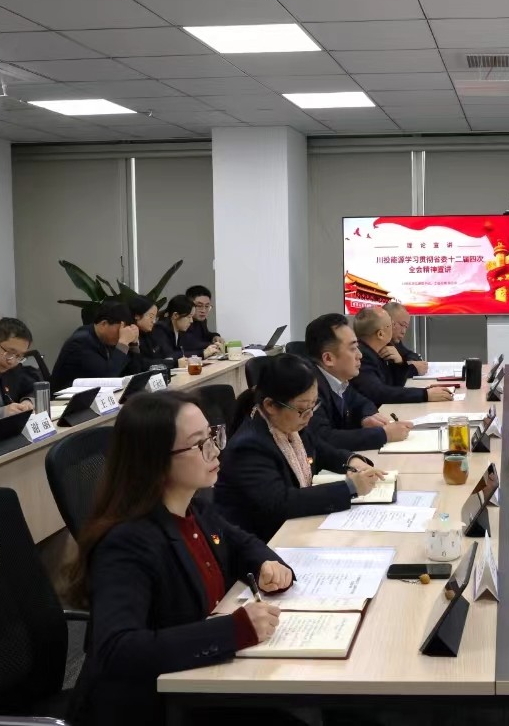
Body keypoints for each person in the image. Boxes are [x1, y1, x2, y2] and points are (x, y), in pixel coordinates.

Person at [67, 391, 294, 726]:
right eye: (198, 444)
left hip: (202, 683)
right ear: (156, 461)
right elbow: (118, 649)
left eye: (212, 436)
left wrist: (264, 564)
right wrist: (233, 630)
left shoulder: (194, 507)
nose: (214, 451)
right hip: (153, 707)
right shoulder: (126, 543)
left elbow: (241, 542)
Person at [216, 354, 387, 541]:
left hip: (293, 529)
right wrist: (349, 488)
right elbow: (281, 503)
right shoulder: (249, 446)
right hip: (266, 540)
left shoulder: (288, 424)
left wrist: (352, 461)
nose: (310, 415)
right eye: (303, 408)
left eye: (313, 405)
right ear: (270, 405)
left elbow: (321, 450)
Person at [304, 313, 413, 452]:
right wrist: (384, 434)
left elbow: (361, 401)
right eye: (352, 348)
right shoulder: (308, 387)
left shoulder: (338, 379)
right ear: (328, 359)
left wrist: (366, 417)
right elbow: (323, 438)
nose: (360, 355)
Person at [350, 307, 453, 407]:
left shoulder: (381, 349)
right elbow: (379, 393)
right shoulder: (362, 357)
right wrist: (425, 394)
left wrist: (399, 363)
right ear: (380, 334)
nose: (394, 327)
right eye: (391, 324)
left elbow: (395, 385)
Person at [50, 302, 139, 392]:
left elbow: (132, 375)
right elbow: (107, 379)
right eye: (120, 330)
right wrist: (123, 342)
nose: (122, 334)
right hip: (66, 399)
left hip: (94, 395)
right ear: (104, 324)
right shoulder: (80, 342)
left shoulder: (105, 339)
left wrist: (133, 345)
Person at [381, 301, 425, 383]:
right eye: (401, 325)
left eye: (406, 327)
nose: (403, 331)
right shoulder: (379, 345)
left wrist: (403, 362)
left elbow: (412, 355)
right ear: (388, 322)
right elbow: (388, 376)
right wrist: (413, 369)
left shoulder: (394, 342)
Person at [126, 294, 171, 370]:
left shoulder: (151, 333)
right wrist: (166, 362)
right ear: (137, 315)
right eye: (151, 317)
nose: (153, 321)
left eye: (155, 317)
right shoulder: (127, 335)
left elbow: (161, 355)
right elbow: (139, 365)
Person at [178, 285, 223, 358]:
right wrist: (212, 345)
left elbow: (205, 336)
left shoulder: (201, 320)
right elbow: (189, 343)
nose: (203, 310)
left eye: (207, 306)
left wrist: (214, 337)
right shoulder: (181, 321)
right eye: (199, 306)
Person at [151, 296, 193, 362]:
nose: (191, 321)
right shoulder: (160, 329)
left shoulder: (180, 330)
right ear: (175, 315)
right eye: (189, 317)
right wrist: (202, 353)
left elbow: (188, 348)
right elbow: (168, 355)